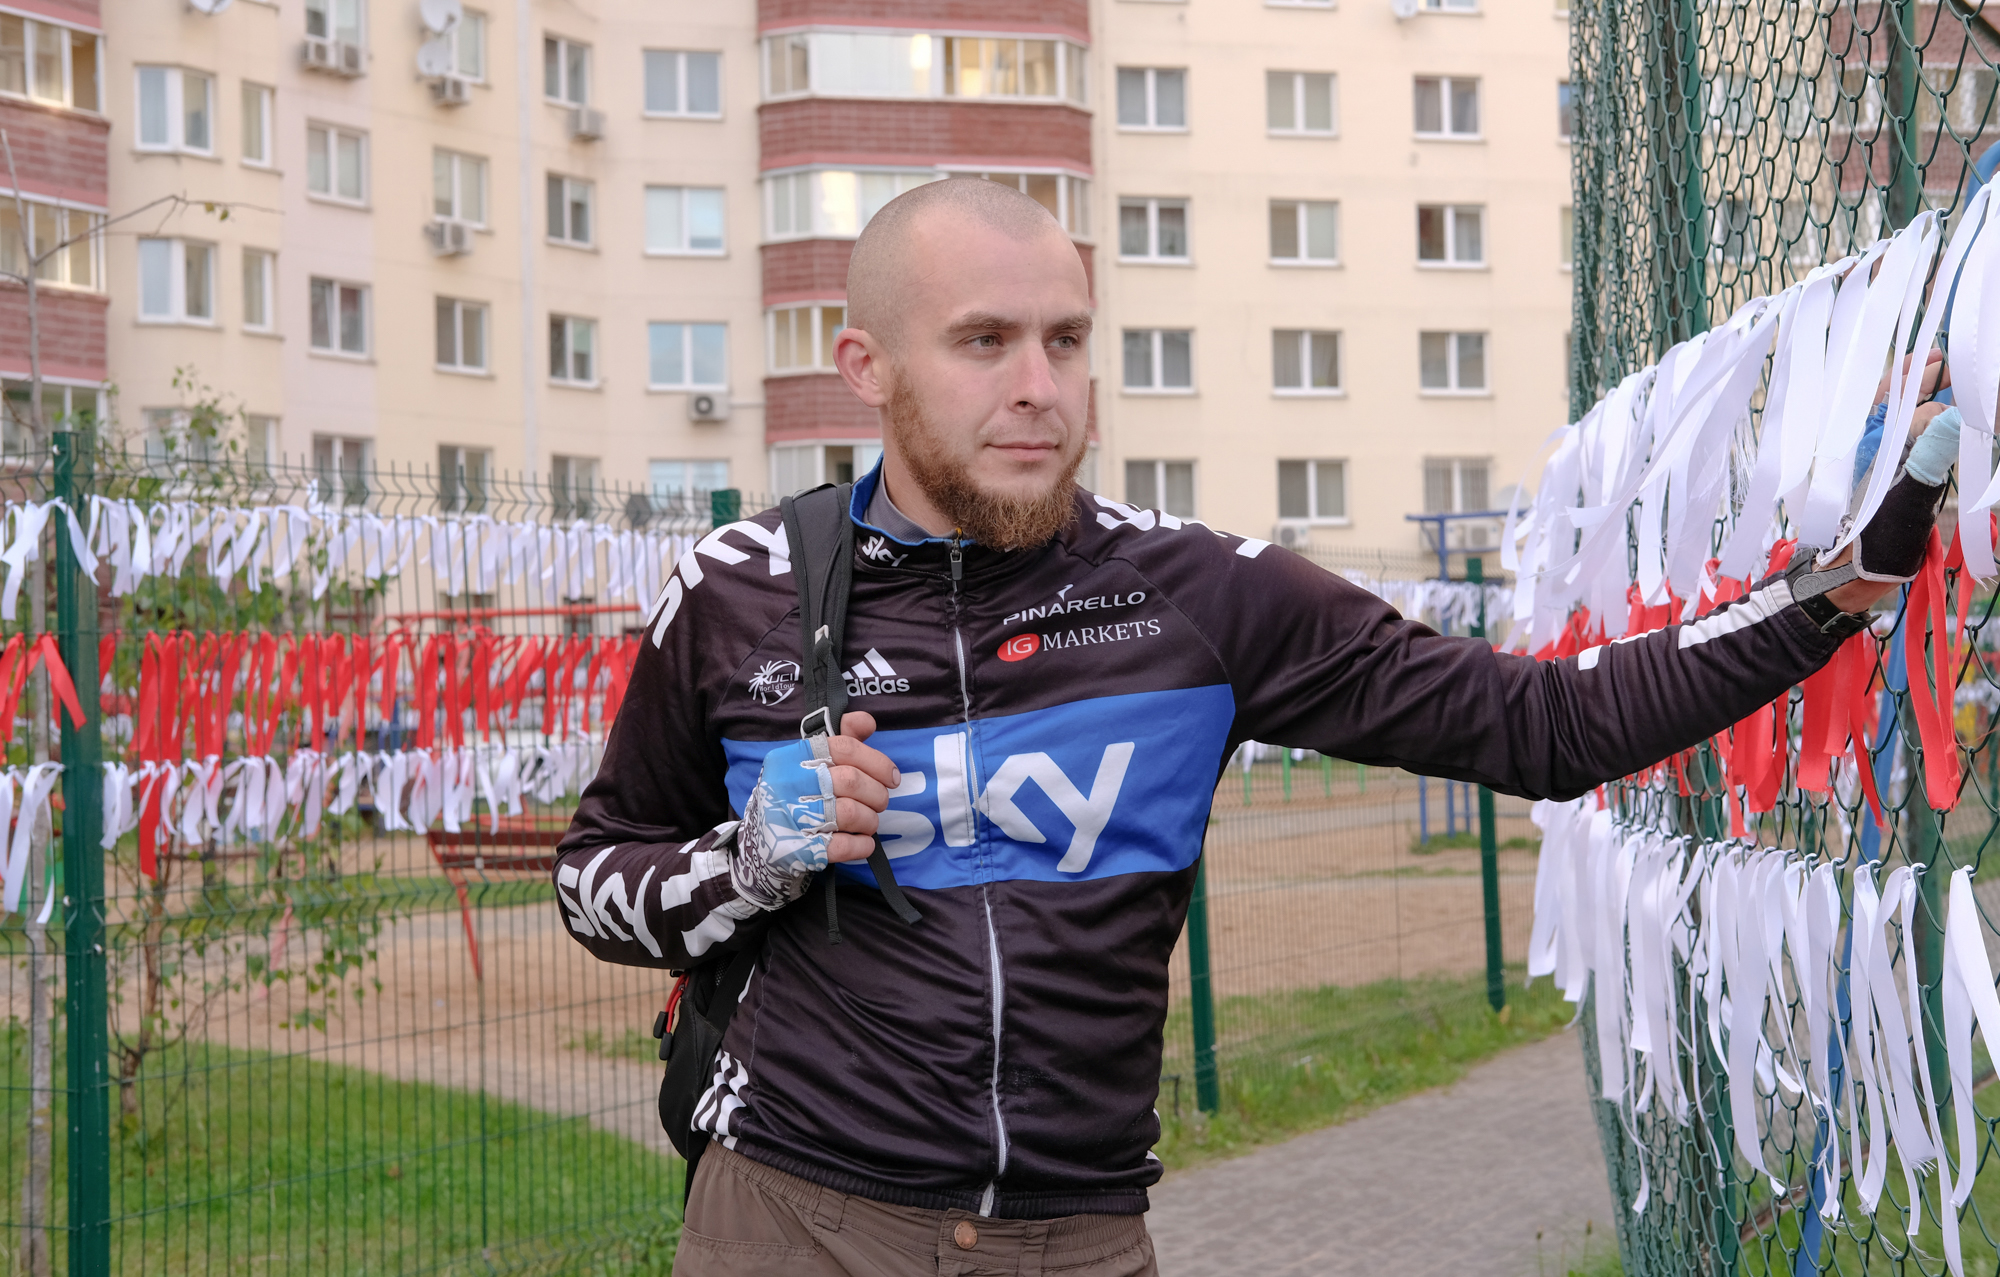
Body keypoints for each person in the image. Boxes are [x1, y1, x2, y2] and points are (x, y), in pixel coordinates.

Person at [553, 177, 1955, 1276]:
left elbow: (1551, 727)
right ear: (865, 363)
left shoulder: (1197, 597)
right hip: (795, 1222)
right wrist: (741, 863)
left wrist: (1841, 594)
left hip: (1083, 1235)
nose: (1039, 383)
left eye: (1066, 338)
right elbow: (592, 876)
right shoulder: (738, 592)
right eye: (983, 341)